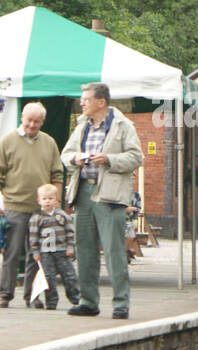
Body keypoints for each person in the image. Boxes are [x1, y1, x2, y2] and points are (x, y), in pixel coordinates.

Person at [61, 82, 144, 320]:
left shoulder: (123, 125)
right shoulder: (81, 126)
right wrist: (75, 158)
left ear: (101, 102)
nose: (82, 102)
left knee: (113, 250)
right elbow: (64, 155)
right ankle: (88, 301)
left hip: (109, 195)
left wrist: (108, 159)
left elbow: (136, 157)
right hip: (83, 193)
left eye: (86, 99)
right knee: (84, 249)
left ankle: (120, 304)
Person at [0, 102, 64, 308]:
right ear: (22, 117)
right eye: (29, 120)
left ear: (42, 122)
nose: (32, 125)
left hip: (42, 210)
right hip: (14, 206)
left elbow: (57, 174)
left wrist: (56, 203)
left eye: (37, 121)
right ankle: (5, 294)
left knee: (37, 255)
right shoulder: (7, 141)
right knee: (12, 252)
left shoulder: (49, 143)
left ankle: (32, 296)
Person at [26, 182, 79, 310]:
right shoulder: (36, 218)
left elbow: (70, 232)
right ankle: (51, 302)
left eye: (51, 198)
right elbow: (33, 236)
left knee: (69, 275)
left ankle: (76, 298)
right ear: (39, 201)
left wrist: (70, 247)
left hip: (61, 250)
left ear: (56, 200)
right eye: (44, 199)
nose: (48, 201)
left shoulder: (62, 216)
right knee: (49, 277)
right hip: (45, 252)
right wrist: (36, 252)